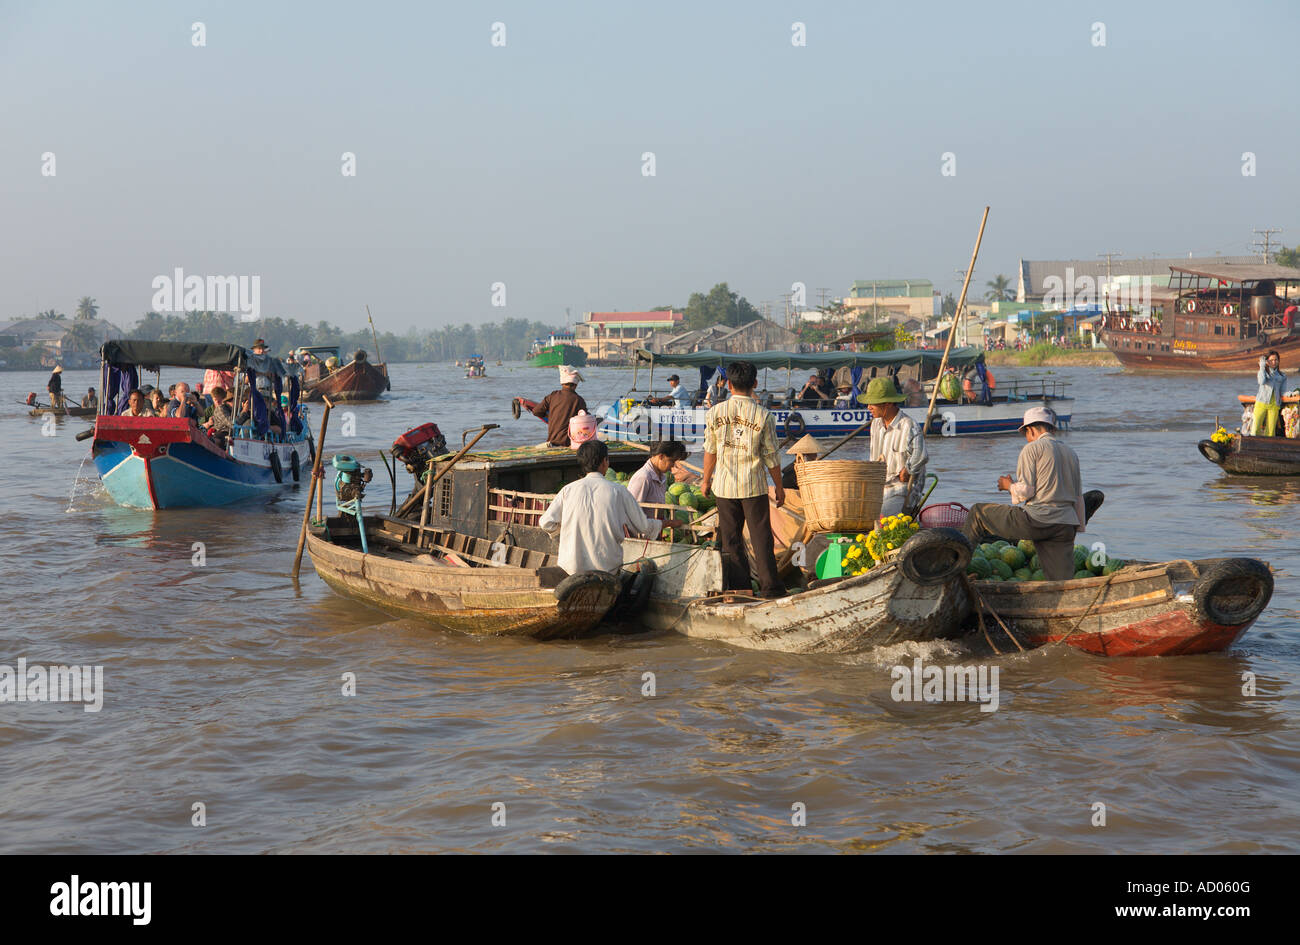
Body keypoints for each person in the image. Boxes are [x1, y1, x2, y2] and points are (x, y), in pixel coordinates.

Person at [962, 406, 1085, 581]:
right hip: (1066, 524)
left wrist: (1008, 485)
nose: (1026, 439)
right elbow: (1079, 496)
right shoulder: (1071, 453)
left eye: (1026, 434)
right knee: (1061, 581)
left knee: (977, 513)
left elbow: (1026, 491)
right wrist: (1078, 527)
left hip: (1038, 520)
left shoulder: (1032, 449)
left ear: (1031, 430)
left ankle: (956, 569)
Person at [699, 360, 786, 599]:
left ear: (728, 384)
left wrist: (705, 480)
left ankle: (740, 589)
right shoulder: (764, 415)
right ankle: (771, 589)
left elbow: (711, 450)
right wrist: (779, 487)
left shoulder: (715, 412)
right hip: (753, 486)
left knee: (731, 540)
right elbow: (771, 456)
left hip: (724, 486)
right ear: (755, 384)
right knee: (761, 539)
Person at [539, 440, 662, 574]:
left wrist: (566, 531)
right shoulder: (619, 491)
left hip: (570, 569)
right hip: (608, 570)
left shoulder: (568, 490)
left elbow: (545, 523)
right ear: (605, 462)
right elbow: (643, 526)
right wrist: (665, 523)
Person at [860, 377, 928, 518]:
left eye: (873, 403)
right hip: (880, 490)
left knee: (876, 519)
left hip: (902, 491)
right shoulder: (875, 424)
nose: (869, 407)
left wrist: (908, 469)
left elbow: (921, 456)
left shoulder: (908, 425)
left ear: (888, 404)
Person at [530, 366, 588, 447]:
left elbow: (536, 411)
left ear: (562, 383)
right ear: (575, 384)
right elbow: (585, 421)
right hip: (568, 443)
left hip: (551, 441)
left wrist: (548, 416)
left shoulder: (552, 396)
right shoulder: (579, 400)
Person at [627, 440, 689, 505]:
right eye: (672, 461)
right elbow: (631, 510)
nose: (673, 465)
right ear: (661, 456)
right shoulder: (643, 478)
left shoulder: (662, 478)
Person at [1251, 350, 1286, 437]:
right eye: (1271, 360)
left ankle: (1268, 449)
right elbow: (1261, 381)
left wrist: (1291, 394)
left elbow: (1283, 391)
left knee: (1270, 432)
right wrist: (1262, 367)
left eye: (1276, 360)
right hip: (1261, 403)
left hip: (1274, 405)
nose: (1274, 362)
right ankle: (1253, 446)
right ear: (1267, 361)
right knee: (1255, 428)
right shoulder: (1263, 372)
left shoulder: (1282, 376)